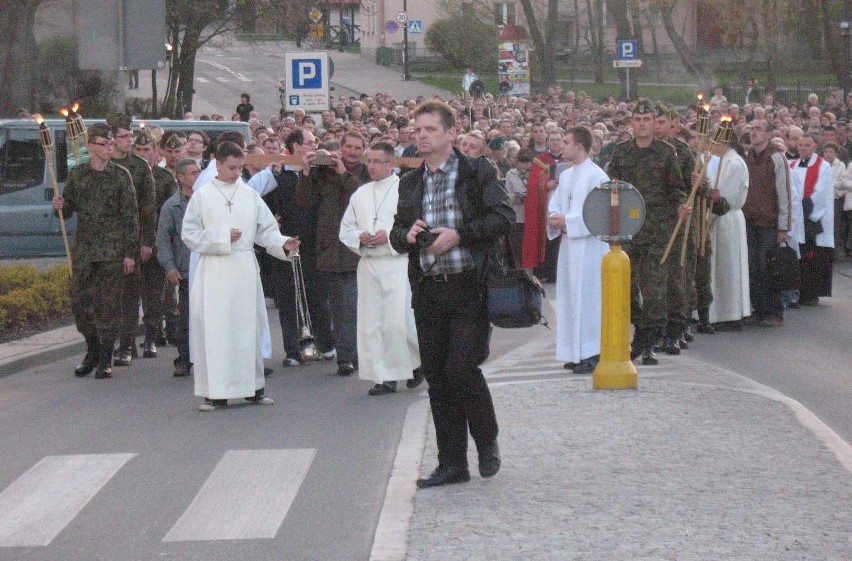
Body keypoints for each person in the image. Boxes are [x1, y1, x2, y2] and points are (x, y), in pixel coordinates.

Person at [389, 100, 514, 488]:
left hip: (469, 285)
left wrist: (460, 235)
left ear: (449, 133)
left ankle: (486, 438)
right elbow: (396, 235)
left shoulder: (476, 172)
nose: (421, 136)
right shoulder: (410, 181)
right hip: (428, 288)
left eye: (429, 129)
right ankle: (451, 463)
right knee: (438, 378)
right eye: (417, 129)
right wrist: (407, 237)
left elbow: (503, 218)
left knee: (461, 368)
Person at [181, 141, 300, 411]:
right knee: (217, 331)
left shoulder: (248, 195)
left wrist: (283, 243)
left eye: (239, 167)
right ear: (218, 164)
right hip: (214, 271)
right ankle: (216, 393)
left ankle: (253, 388)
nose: (236, 173)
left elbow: (266, 230)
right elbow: (189, 234)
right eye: (231, 168)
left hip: (244, 268)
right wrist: (221, 237)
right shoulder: (202, 195)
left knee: (247, 329)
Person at [51, 124, 139, 379]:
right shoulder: (78, 174)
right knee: (80, 303)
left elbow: (130, 217)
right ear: (91, 147)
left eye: (112, 144)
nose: (109, 148)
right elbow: (68, 210)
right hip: (85, 251)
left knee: (108, 305)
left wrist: (129, 252)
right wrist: (60, 205)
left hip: (112, 251)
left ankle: (105, 357)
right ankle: (93, 348)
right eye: (104, 144)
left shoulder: (121, 175)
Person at [607, 99, 688, 365]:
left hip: (657, 229)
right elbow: (612, 191)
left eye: (646, 120)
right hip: (629, 230)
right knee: (627, 289)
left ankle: (648, 341)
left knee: (654, 290)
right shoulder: (621, 152)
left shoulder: (666, 153)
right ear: (631, 123)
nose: (642, 125)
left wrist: (680, 206)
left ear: (655, 122)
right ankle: (642, 332)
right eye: (637, 120)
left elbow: (676, 189)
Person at [339, 142, 423, 396]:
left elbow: (414, 225)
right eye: (369, 162)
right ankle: (382, 377)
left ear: (391, 163)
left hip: (397, 263)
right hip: (369, 265)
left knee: (400, 323)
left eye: (377, 161)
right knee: (373, 324)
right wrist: (360, 237)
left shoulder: (404, 190)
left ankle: (417, 364)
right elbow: (346, 229)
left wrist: (388, 236)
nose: (372, 167)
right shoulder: (360, 194)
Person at [297, 131, 371, 376]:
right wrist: (306, 172)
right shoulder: (323, 173)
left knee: (351, 306)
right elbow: (305, 202)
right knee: (337, 308)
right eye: (348, 147)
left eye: (357, 148)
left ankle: (348, 356)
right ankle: (347, 354)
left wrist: (343, 172)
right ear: (340, 147)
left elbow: (362, 198)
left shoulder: (364, 172)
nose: (352, 152)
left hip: (355, 250)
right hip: (329, 249)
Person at [264, 128, 336, 366]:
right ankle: (293, 350)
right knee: (288, 298)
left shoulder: (320, 173)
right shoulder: (277, 174)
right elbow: (263, 202)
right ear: (295, 146)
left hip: (314, 244)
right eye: (310, 142)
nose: (314, 146)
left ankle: (326, 344)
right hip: (286, 244)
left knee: (318, 295)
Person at [546, 127, 610, 373]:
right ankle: (575, 351)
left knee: (590, 299)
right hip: (570, 246)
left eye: (566, 142)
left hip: (591, 247)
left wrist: (568, 221)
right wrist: (554, 217)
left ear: (580, 147)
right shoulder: (566, 175)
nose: (563, 146)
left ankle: (592, 352)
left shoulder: (597, 176)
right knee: (571, 298)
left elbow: (599, 215)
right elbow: (556, 204)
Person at [107, 114, 156, 367]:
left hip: (131, 240)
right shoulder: (101, 165)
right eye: (124, 136)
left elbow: (148, 208)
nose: (129, 140)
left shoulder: (139, 167)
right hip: (104, 241)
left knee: (128, 295)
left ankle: (125, 345)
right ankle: (108, 343)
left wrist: (147, 241)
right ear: (111, 139)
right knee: (105, 296)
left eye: (130, 135)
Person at [743, 119, 791, 327]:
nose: (754, 133)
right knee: (752, 268)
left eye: (758, 130)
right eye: (752, 130)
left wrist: (783, 225)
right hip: (750, 220)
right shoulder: (748, 158)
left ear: (769, 134)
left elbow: (784, 193)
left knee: (768, 267)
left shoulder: (776, 158)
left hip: (769, 222)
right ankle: (759, 309)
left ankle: (774, 311)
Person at [156, 158, 199, 377]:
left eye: (198, 171)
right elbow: (163, 239)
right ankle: (184, 359)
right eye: (191, 173)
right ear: (180, 178)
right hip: (186, 270)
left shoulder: (207, 199)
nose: (196, 176)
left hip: (210, 267)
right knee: (187, 318)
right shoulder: (172, 206)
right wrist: (169, 266)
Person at [706, 132, 751, 329]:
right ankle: (718, 312)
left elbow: (725, 196)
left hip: (727, 218)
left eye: (714, 141)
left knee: (729, 267)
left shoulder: (734, 163)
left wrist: (709, 217)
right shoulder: (725, 160)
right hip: (722, 219)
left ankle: (730, 313)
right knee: (721, 266)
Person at [789, 134, 834, 306]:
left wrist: (804, 208)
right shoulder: (792, 164)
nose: (802, 148)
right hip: (796, 218)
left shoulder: (824, 166)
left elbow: (822, 193)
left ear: (815, 147)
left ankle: (810, 293)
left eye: (807, 145)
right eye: (800, 144)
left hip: (813, 218)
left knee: (812, 257)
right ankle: (795, 291)